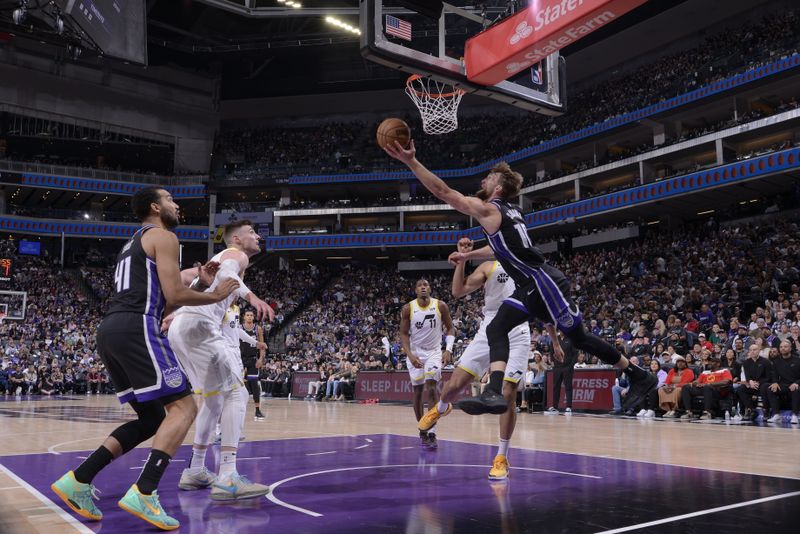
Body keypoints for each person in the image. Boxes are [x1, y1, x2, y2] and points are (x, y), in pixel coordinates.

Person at [384, 143, 655, 416]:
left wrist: (412, 161)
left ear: (498, 188)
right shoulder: (511, 212)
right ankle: (493, 393)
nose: (483, 180)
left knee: (577, 336)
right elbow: (499, 248)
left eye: (489, 178)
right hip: (532, 285)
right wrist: (468, 256)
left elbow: (444, 192)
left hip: (542, 282)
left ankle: (637, 375)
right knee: (499, 327)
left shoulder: (490, 209)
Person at [51, 187, 240, 531]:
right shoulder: (163, 236)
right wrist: (214, 293)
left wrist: (199, 281)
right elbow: (173, 294)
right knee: (184, 408)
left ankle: (78, 480)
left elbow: (166, 302)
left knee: (151, 417)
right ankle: (145, 491)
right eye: (170, 200)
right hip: (137, 326)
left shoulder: (132, 243)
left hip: (112, 329)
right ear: (155, 207)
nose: (176, 205)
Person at [416, 238, 549, 478]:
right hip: (489, 327)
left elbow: (545, 305)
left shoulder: (529, 265)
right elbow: (458, 291)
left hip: (517, 331)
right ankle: (442, 407)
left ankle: (501, 457)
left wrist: (555, 341)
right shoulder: (489, 266)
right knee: (453, 386)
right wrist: (461, 261)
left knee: (507, 395)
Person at [167, 219, 274, 501]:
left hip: (184, 328)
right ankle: (227, 477)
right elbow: (228, 276)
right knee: (237, 395)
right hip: (201, 329)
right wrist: (253, 297)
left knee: (214, 401)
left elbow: (184, 276)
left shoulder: (219, 258)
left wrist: (176, 312)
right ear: (236, 239)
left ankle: (196, 470)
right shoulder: (235, 256)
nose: (258, 236)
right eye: (252, 232)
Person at [400, 278, 455, 448]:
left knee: (431, 387)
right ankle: (422, 429)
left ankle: (432, 431)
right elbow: (403, 333)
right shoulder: (408, 308)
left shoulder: (440, 306)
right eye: (419, 285)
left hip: (433, 352)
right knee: (417, 392)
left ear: (430, 288)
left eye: (426, 284)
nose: (423, 287)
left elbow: (451, 328)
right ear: (415, 290)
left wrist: (449, 350)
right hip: (416, 353)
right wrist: (409, 355)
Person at [239, 309, 267, 420]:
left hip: (252, 360)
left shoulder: (258, 329)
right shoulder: (239, 328)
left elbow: (262, 345)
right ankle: (238, 409)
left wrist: (260, 359)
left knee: (254, 384)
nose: (250, 317)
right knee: (239, 384)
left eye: (251, 315)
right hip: (240, 359)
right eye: (248, 315)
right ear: (244, 317)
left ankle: (257, 410)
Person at [765, 339, 800, 424]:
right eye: (781, 347)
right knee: (770, 389)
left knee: (796, 389)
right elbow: (774, 376)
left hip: (796, 383)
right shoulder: (776, 361)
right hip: (784, 385)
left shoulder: (798, 360)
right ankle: (776, 415)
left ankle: (795, 415)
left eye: (785, 347)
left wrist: (797, 383)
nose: (782, 348)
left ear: (790, 348)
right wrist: (775, 382)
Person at [736, 343, 771, 421]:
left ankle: (766, 410)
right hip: (752, 385)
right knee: (740, 389)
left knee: (764, 387)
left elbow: (768, 377)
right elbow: (747, 376)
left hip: (762, 384)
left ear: (759, 351)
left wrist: (757, 383)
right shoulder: (746, 362)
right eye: (751, 350)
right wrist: (750, 382)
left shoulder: (766, 362)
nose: (752, 352)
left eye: (754, 350)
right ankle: (751, 410)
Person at [548, 331, 577, 413]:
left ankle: (568, 406)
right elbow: (551, 352)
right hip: (557, 367)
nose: (561, 331)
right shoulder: (555, 340)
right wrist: (553, 362)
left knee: (568, 386)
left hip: (567, 367)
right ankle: (554, 406)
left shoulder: (571, 339)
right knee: (556, 386)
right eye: (560, 330)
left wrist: (571, 365)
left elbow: (575, 354)